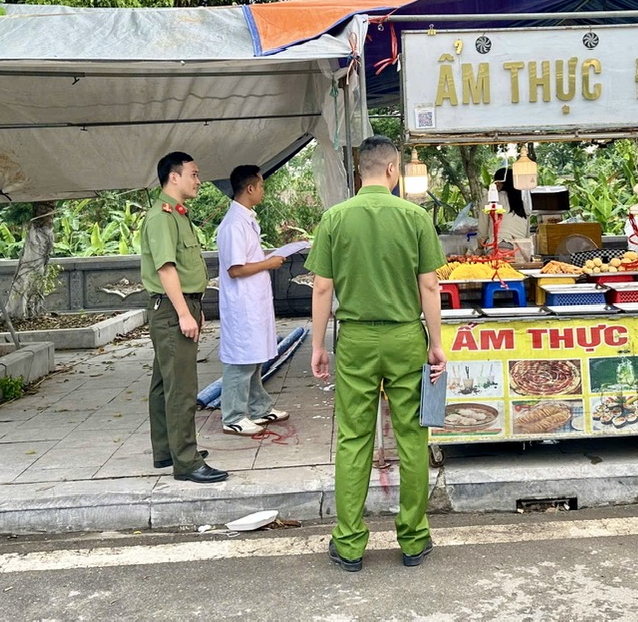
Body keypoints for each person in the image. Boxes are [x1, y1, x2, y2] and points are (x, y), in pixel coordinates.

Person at [307, 135, 447, 572]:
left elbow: (323, 287)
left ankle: (349, 545)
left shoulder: (334, 218)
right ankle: (413, 539)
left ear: (360, 170)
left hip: (356, 341)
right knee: (411, 437)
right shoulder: (414, 217)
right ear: (392, 170)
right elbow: (429, 286)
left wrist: (317, 345)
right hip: (405, 337)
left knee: (353, 439)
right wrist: (436, 343)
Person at [140, 151, 228, 484]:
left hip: (178, 305)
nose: (198, 179)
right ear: (173, 177)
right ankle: (187, 462)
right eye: (193, 173)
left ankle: (168, 450)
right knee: (182, 387)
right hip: (171, 308)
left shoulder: (176, 214)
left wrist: (194, 308)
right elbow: (166, 268)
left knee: (164, 384)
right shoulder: (162, 217)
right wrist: (182, 312)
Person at [215, 164, 288, 436]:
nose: (263, 191)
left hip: (253, 301)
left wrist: (266, 260)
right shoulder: (234, 224)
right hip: (241, 304)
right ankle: (233, 416)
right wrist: (268, 263)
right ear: (250, 188)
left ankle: (259, 407)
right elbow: (235, 268)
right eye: (261, 186)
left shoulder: (246, 218)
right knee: (241, 361)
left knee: (255, 357)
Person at [477, 166, 530, 247]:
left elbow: (482, 233)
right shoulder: (523, 204)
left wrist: (479, 249)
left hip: (498, 247)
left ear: (498, 183)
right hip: (520, 251)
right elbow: (527, 235)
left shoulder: (489, 200)